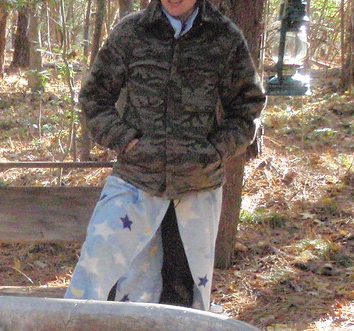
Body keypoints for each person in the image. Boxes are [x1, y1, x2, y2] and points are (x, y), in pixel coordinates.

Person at [65, 0, 266, 310]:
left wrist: (215, 150)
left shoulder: (224, 36)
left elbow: (248, 105)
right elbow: (95, 98)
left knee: (184, 293)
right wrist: (125, 140)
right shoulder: (132, 32)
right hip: (136, 178)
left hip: (197, 185)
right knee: (97, 278)